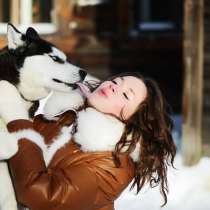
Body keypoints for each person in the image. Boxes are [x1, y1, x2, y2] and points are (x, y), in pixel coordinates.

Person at [0, 72, 176, 210]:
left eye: (126, 95)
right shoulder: (65, 119)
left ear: (134, 121)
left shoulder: (114, 165)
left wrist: (17, 117)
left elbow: (41, 197)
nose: (114, 87)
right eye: (116, 82)